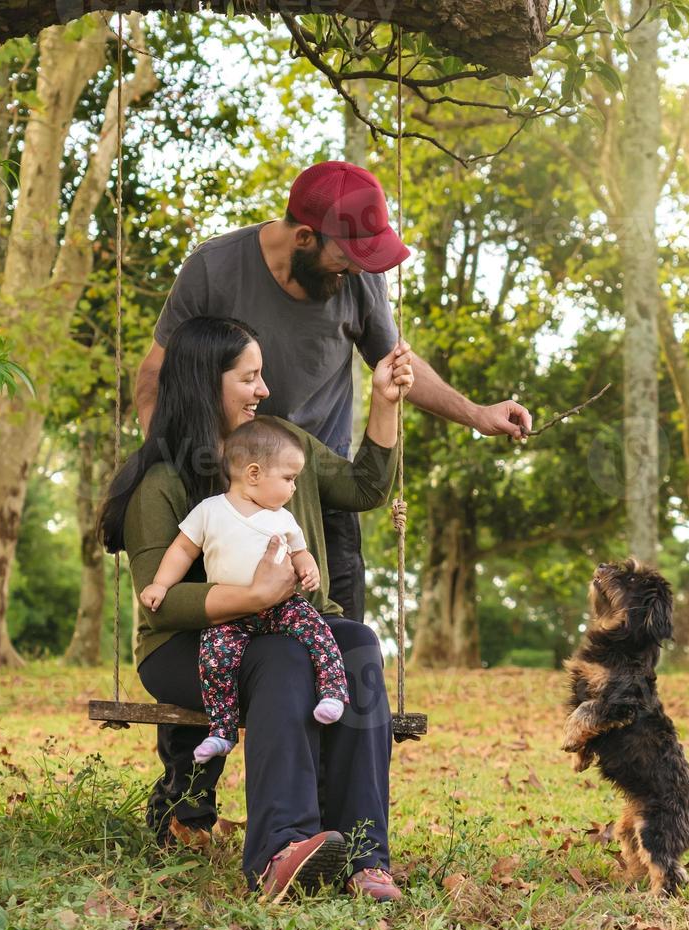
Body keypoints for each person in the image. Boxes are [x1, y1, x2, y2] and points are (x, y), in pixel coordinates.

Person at [136, 160, 534, 623]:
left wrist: (477, 415)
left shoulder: (361, 276)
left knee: (341, 639)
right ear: (304, 237)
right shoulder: (213, 268)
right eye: (345, 258)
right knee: (233, 639)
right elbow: (154, 374)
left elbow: (395, 363)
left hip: (324, 488)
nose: (354, 272)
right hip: (228, 486)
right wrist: (166, 457)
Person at [100, 315, 413, 903]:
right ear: (205, 382)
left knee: (359, 644)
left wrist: (387, 403)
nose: (263, 390)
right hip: (184, 649)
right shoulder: (163, 481)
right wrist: (255, 596)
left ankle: (365, 854)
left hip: (281, 628)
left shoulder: (278, 448)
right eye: (250, 377)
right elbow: (161, 604)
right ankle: (279, 850)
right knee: (281, 658)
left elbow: (367, 488)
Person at [139, 418, 350, 764]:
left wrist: (308, 567)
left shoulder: (282, 517)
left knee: (318, 632)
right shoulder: (209, 512)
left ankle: (332, 692)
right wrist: (161, 584)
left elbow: (299, 552)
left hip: (281, 607)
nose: (294, 488)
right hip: (231, 614)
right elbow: (181, 550)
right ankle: (222, 731)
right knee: (215, 660)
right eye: (288, 478)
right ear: (254, 474)